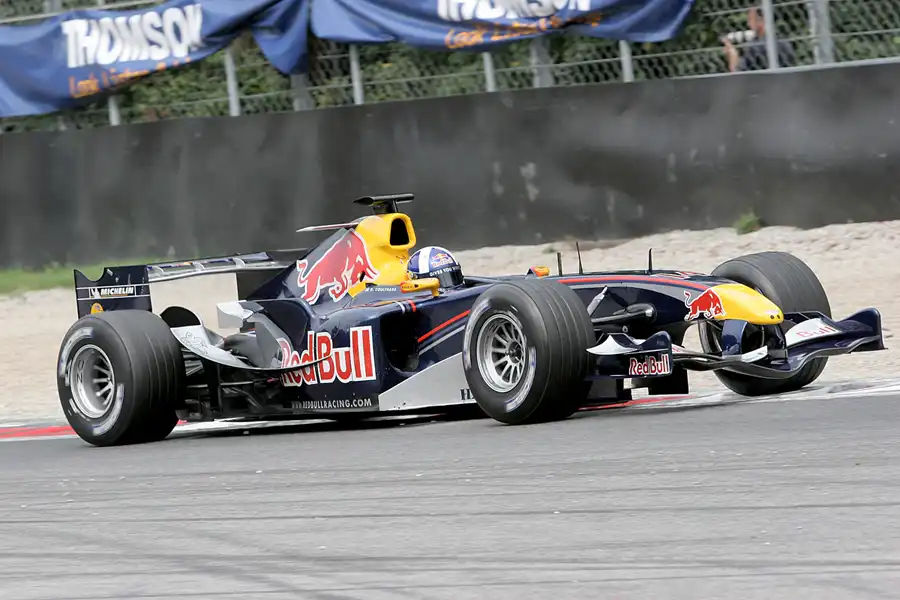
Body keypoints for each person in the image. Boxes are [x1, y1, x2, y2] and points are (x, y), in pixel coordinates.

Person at [722, 3, 796, 72]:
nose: (748, 24)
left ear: (761, 20)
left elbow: (739, 74)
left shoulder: (754, 47)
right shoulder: (784, 42)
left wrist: (733, 55)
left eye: (750, 19)